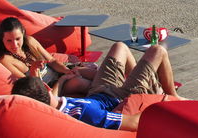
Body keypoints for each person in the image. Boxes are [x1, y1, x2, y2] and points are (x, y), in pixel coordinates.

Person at [12, 42, 185, 131]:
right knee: (158, 50)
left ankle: (144, 82)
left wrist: (63, 80)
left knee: (120, 47)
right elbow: (134, 122)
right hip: (119, 97)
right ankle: (169, 94)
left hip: (98, 91)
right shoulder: (87, 114)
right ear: (45, 90)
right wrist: (163, 101)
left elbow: (52, 97)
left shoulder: (52, 108)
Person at [0, 17, 95, 96]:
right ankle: (106, 98)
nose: (15, 45)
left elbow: (52, 61)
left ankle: (108, 89)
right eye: (9, 41)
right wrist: (33, 70)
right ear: (2, 39)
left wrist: (67, 71)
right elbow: (28, 85)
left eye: (18, 39)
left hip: (60, 72)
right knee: (80, 82)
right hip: (49, 86)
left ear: (23, 33)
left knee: (92, 73)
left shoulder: (30, 41)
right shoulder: (5, 59)